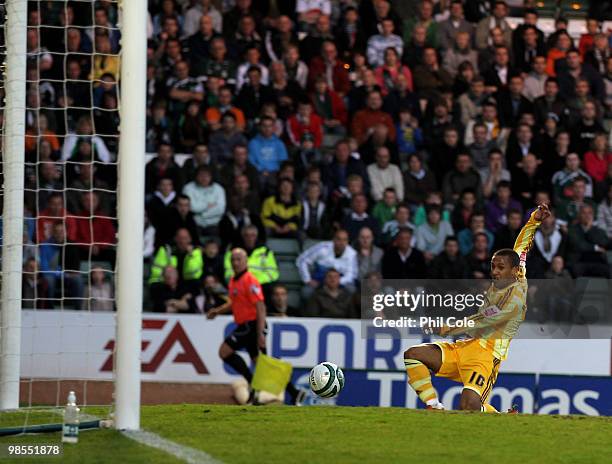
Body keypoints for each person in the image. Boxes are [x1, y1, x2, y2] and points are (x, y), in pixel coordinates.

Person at [403, 202, 551, 411]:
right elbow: (521, 246)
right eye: (493, 266)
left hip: (486, 358)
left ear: (513, 271)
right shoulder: (518, 270)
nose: (495, 272)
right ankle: (433, 405)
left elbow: (484, 320)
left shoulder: (515, 301)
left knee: (469, 406)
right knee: (413, 354)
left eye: (500, 268)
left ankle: (499, 417)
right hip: (465, 346)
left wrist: (447, 328)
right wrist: (533, 221)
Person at [207, 248, 306, 405]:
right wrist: (217, 311)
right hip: (246, 325)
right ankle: (295, 393)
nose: (235, 262)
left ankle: (253, 384)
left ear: (246, 261)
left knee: (224, 352)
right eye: (233, 259)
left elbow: (261, 307)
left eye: (239, 259)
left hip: (252, 325)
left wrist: (260, 333)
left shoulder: (250, 281)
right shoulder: (234, 280)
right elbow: (234, 302)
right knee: (261, 363)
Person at [296, 229, 357, 298]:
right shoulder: (323, 248)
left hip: (340, 281)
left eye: (344, 240)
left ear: (347, 241)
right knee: (306, 292)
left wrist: (335, 282)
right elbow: (302, 260)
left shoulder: (352, 254)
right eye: (339, 239)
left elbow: (351, 275)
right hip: (320, 279)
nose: (341, 242)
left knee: (352, 290)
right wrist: (307, 279)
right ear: (333, 240)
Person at [149, 227, 204, 293]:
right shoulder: (166, 249)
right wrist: (168, 275)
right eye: (180, 238)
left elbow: (192, 271)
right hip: (166, 283)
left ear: (190, 239)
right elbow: (156, 272)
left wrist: (190, 255)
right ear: (175, 238)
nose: (182, 241)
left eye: (185, 238)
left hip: (187, 283)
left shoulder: (196, 251)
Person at [182, 165, 226, 236]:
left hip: (214, 224)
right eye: (201, 175)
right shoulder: (188, 188)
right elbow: (192, 207)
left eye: (207, 176)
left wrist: (202, 214)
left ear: (211, 177)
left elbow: (220, 209)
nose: (204, 178)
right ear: (196, 176)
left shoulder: (219, 189)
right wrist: (207, 205)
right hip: (195, 224)